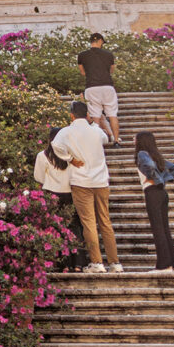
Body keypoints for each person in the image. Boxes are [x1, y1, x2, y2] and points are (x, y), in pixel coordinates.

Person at [53, 98, 121, 272]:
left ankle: (97, 262)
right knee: (105, 221)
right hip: (101, 181)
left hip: (81, 182)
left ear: (71, 115)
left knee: (89, 223)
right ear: (87, 114)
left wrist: (70, 159)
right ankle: (114, 263)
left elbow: (55, 146)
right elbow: (106, 140)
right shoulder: (96, 131)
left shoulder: (67, 132)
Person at [35, 128, 87, 271]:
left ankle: (62, 263)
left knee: (56, 229)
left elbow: (38, 177)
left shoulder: (43, 156)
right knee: (75, 228)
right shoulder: (72, 157)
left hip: (52, 194)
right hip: (71, 193)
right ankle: (78, 263)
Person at [135, 131, 174, 274]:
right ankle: (171, 264)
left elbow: (149, 166)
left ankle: (164, 265)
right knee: (164, 228)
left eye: (135, 138)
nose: (133, 140)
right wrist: (162, 179)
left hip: (152, 192)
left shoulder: (142, 154)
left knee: (158, 229)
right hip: (162, 193)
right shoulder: (156, 156)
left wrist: (154, 178)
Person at [78, 32, 122, 142]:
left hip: (92, 87)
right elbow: (111, 70)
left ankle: (97, 142)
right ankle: (116, 140)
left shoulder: (82, 55)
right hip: (107, 86)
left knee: (95, 116)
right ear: (100, 41)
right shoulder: (109, 55)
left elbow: (83, 72)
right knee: (112, 115)